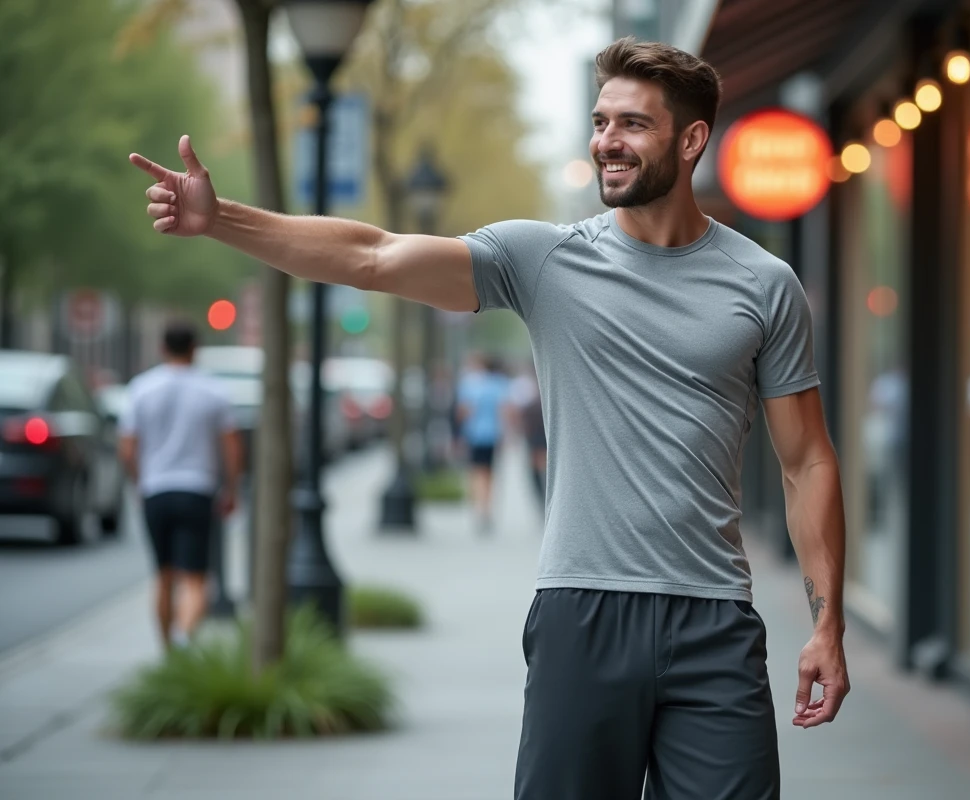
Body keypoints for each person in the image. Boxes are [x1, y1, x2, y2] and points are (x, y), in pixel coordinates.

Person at [130, 36, 848, 799]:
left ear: (692, 138)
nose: (607, 140)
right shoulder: (544, 261)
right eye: (601, 121)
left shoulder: (764, 284)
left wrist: (828, 625)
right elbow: (373, 255)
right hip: (583, 614)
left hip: (716, 624)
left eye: (633, 124)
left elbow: (807, 462)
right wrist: (222, 218)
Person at [118, 321, 241, 650]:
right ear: (194, 348)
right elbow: (230, 446)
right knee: (196, 579)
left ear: (162, 348)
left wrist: (138, 482)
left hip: (155, 489)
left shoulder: (141, 388)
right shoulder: (213, 390)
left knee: (163, 575)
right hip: (197, 489)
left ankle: (168, 651)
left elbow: (128, 448)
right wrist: (231, 488)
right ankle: (185, 635)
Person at [454, 353, 511, 532]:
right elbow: (505, 410)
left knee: (475, 472)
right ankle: (486, 508)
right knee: (489, 474)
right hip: (493, 435)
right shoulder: (499, 384)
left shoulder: (469, 384)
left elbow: (463, 412)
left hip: (474, 435)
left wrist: (459, 435)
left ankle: (478, 507)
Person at [506, 361, 547, 507]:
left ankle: (543, 495)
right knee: (537, 465)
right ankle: (542, 496)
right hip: (535, 432)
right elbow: (513, 411)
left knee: (539, 465)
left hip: (539, 432)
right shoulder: (523, 386)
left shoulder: (525, 386)